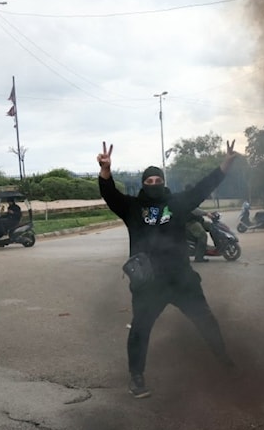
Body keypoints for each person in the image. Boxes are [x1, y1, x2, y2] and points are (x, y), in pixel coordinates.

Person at [97, 140, 239, 398]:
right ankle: (136, 378)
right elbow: (110, 196)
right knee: (140, 329)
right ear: (143, 184)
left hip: (181, 279)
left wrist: (225, 165)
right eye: (148, 181)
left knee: (206, 320)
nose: (153, 185)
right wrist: (106, 172)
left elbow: (203, 188)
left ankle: (225, 361)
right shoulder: (132, 208)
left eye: (157, 180)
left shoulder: (177, 203)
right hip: (148, 284)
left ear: (163, 182)